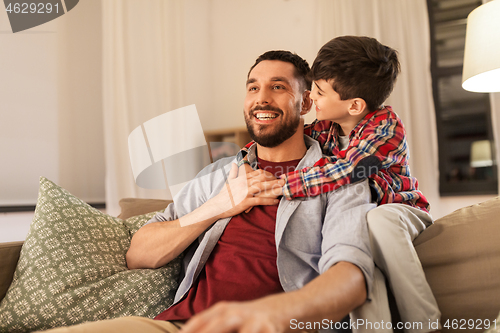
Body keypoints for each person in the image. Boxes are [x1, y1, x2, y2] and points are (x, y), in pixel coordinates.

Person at [41, 51, 375, 333]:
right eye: (253, 87)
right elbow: (140, 254)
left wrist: (274, 314)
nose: (261, 97)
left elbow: (351, 275)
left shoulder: (340, 177)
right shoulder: (216, 176)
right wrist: (219, 205)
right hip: (178, 324)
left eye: (277, 87)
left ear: (304, 104)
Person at [239, 36, 440, 332]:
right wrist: (246, 160)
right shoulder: (325, 130)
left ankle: (425, 323)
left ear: (355, 105)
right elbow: (285, 135)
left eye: (319, 93)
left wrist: (283, 185)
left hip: (401, 210)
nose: (312, 100)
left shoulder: (386, 128)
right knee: (363, 273)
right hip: (360, 221)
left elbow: (349, 170)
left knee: (379, 219)